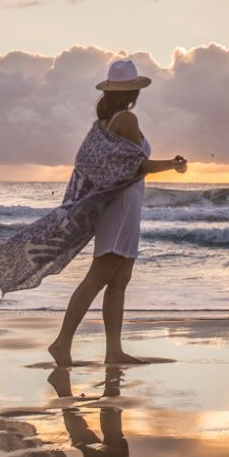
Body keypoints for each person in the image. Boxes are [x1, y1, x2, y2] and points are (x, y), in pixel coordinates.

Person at [47, 58, 187, 367]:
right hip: (121, 206)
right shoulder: (126, 119)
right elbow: (139, 165)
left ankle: (114, 351)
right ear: (134, 91)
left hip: (124, 205)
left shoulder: (104, 124)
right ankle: (61, 343)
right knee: (98, 277)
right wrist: (173, 165)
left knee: (120, 279)